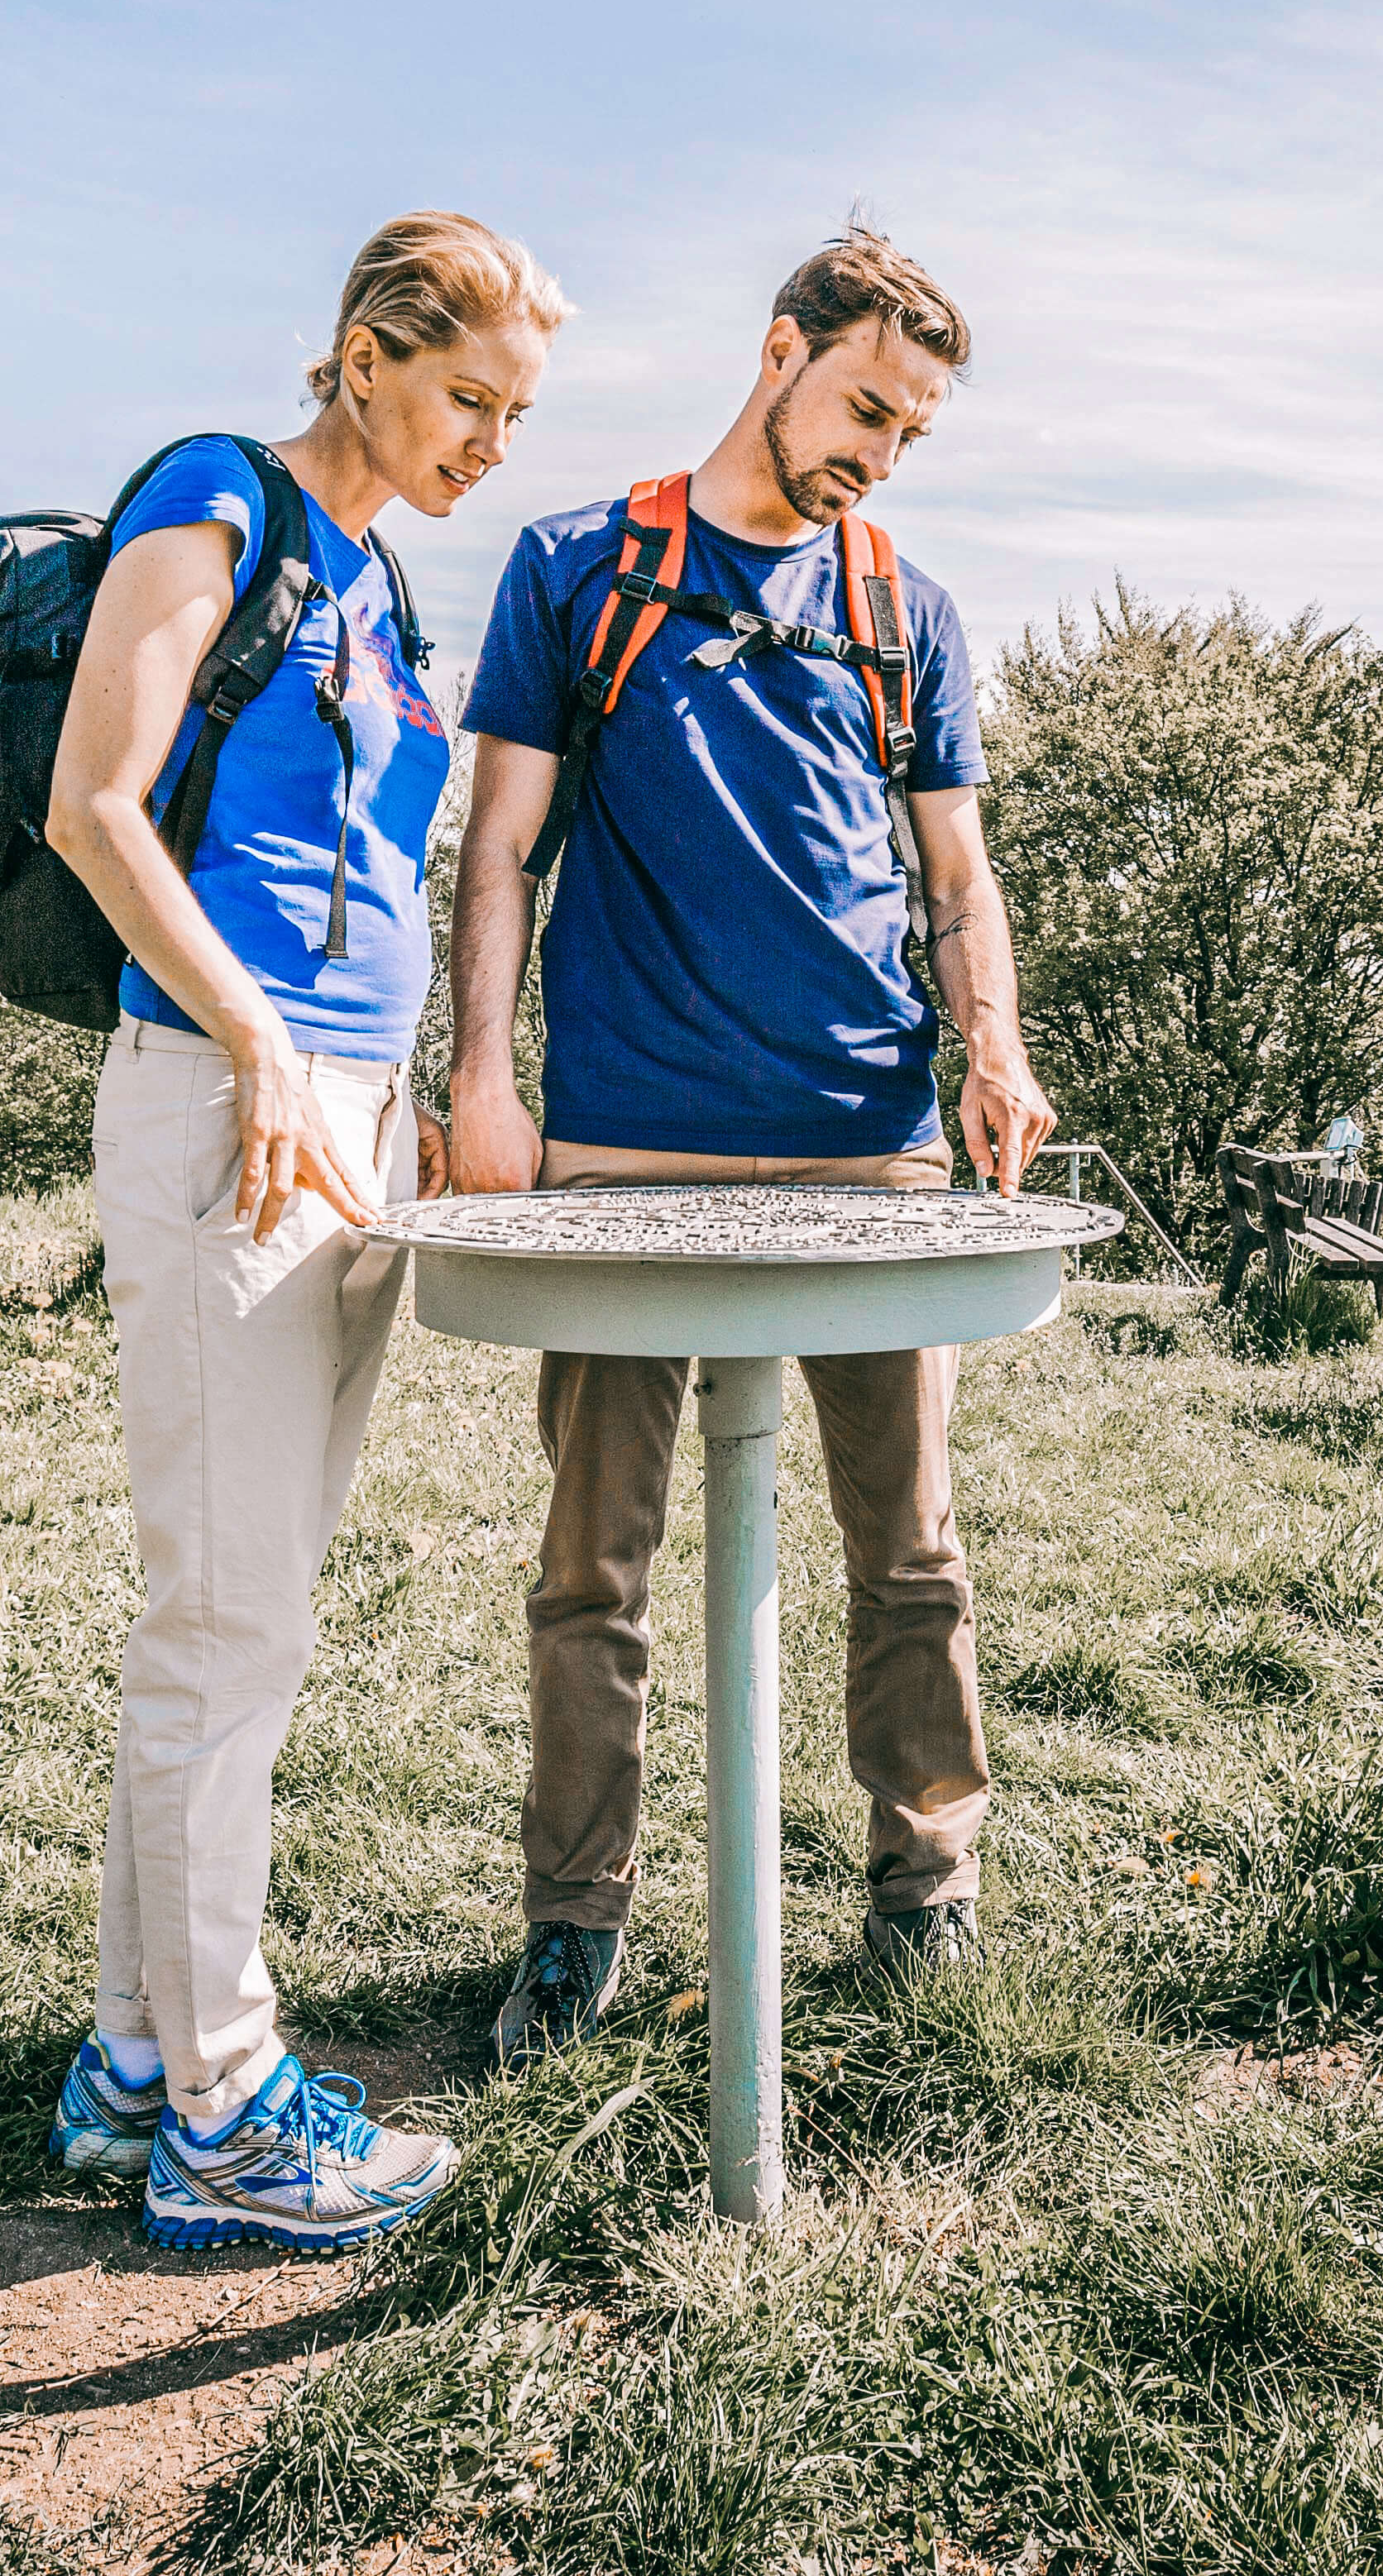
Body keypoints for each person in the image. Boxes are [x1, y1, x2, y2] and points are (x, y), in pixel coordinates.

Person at [443, 224, 1060, 2066]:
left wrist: (996, 1046)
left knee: (916, 1556)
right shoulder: (580, 569)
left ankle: (927, 1883)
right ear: (782, 347)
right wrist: (487, 1077)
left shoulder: (906, 611)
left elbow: (958, 873)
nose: (880, 447)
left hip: (871, 1155)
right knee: (593, 1568)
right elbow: (498, 852)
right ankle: (575, 1928)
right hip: (623, 1153)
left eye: (911, 430)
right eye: (866, 402)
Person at [36, 211, 567, 2249]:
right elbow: (101, 801)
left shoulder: (382, 578)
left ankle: (133, 2065)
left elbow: (363, 854)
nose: (489, 445)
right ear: (364, 355)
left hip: (341, 1120)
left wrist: (401, 1084)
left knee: (242, 1619)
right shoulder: (218, 502)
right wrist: (261, 1045)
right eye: (465, 398)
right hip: (216, 1101)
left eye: (517, 417)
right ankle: (233, 2114)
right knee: (224, 1622)